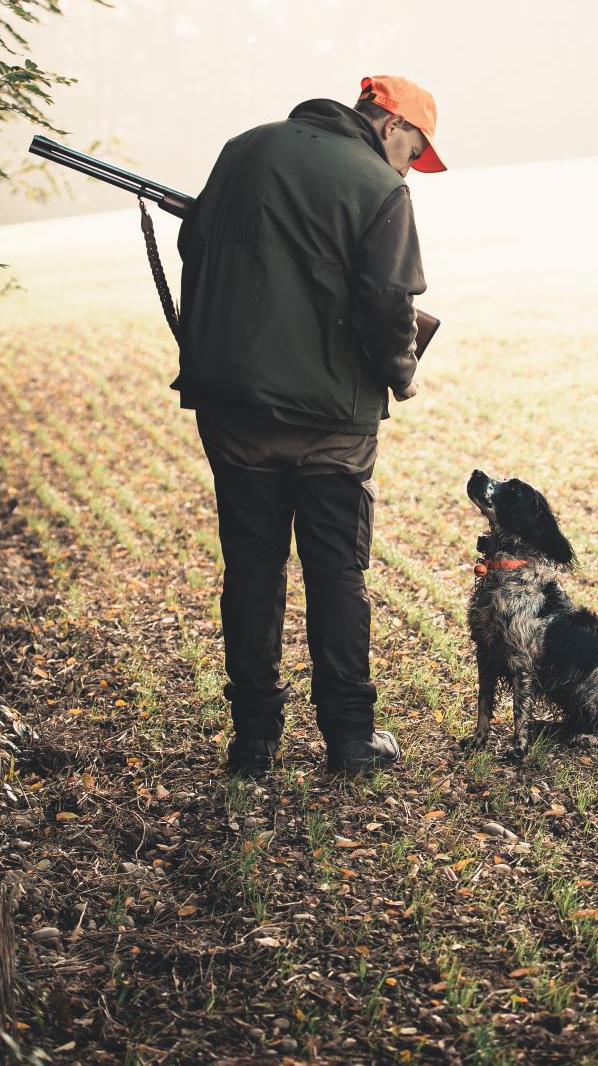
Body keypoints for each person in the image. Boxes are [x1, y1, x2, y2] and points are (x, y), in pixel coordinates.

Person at [173, 75, 445, 777]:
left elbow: (197, 250)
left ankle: (253, 740)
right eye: (414, 151)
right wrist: (403, 373)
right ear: (390, 126)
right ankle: (351, 741)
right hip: (332, 420)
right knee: (336, 574)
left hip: (233, 410)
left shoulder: (242, 149)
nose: (411, 167)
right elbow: (388, 300)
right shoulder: (380, 188)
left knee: (252, 567)